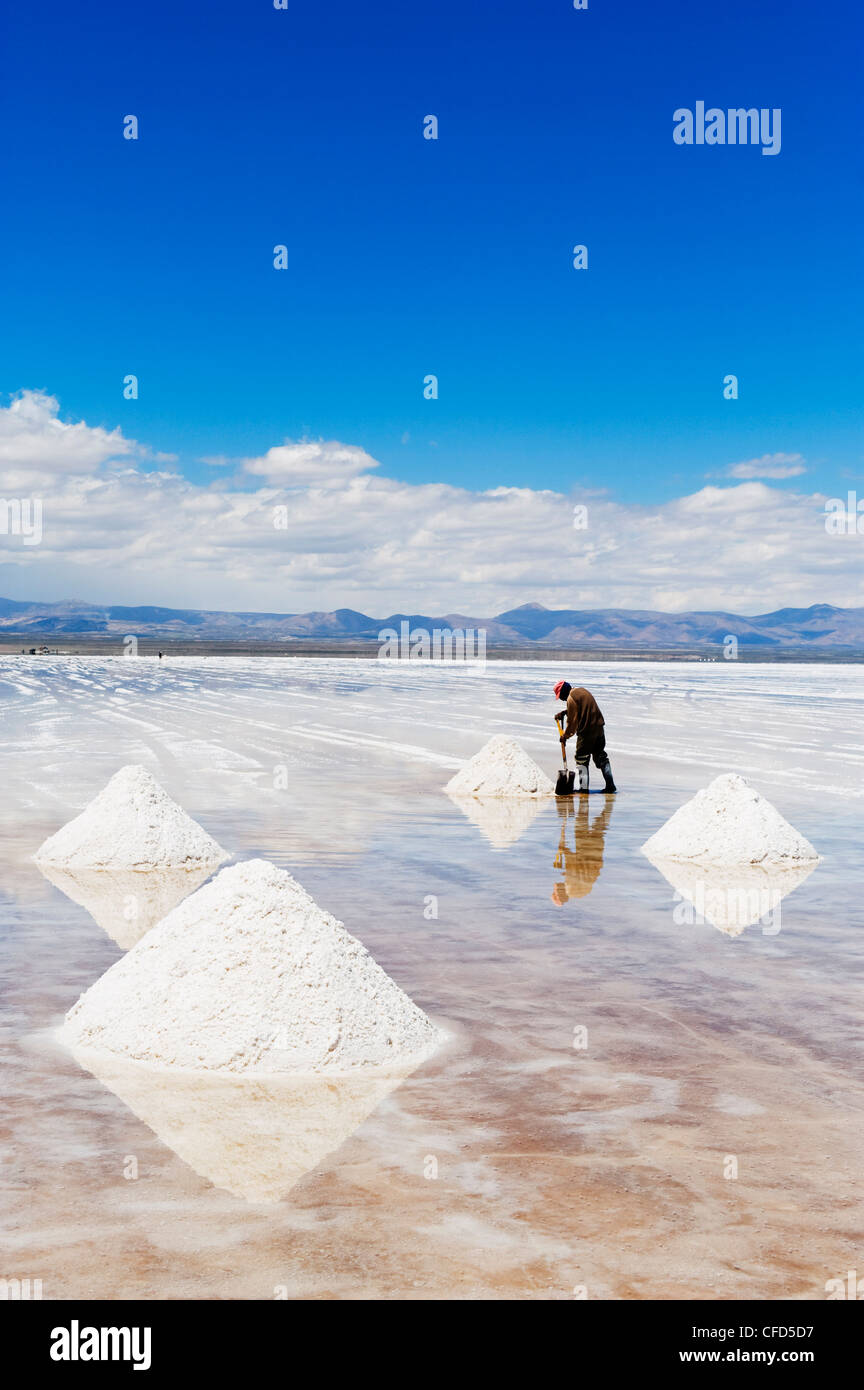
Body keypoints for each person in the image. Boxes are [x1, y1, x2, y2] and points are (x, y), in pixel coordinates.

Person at [554, 679, 617, 793]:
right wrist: (565, 712)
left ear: (564, 692)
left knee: (581, 758)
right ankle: (610, 785)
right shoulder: (581, 691)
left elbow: (572, 722)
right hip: (599, 728)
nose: (562, 699)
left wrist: (565, 736)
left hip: (587, 731)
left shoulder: (570, 698)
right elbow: (583, 708)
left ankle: (584, 789)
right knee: (601, 757)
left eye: (561, 696)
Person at [551, 795, 614, 905]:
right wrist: (563, 849)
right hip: (584, 844)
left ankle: (609, 800)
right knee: (582, 815)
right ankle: (588, 796)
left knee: (603, 818)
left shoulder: (580, 889)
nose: (554, 887)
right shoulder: (570, 885)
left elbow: (578, 866)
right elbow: (573, 861)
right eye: (555, 891)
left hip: (596, 848)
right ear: (560, 893)